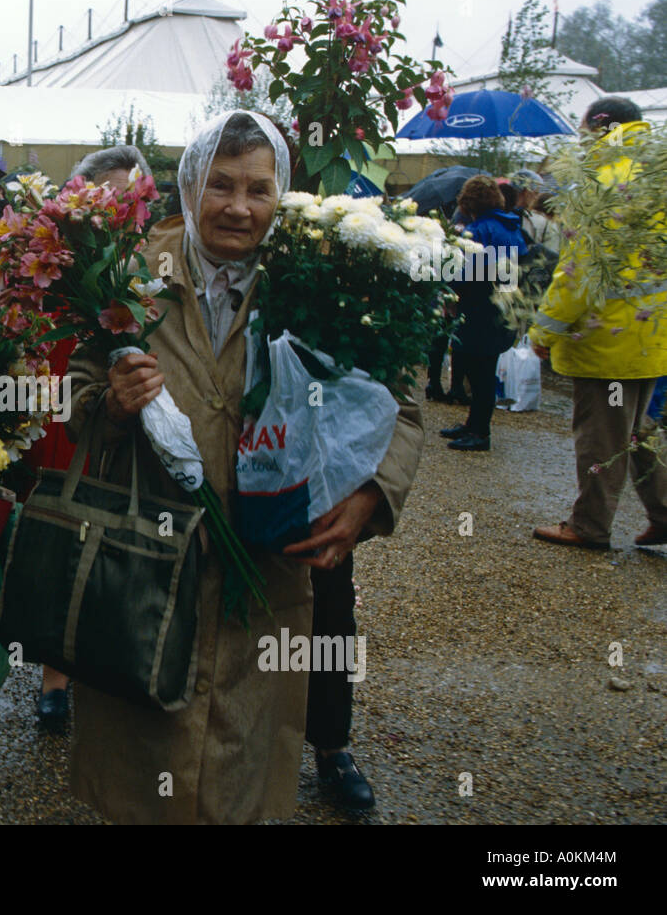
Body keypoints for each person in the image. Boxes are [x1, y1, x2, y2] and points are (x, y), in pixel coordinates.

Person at [64, 110, 424, 824]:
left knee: (243, 754)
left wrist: (371, 498)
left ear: (281, 194)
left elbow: (400, 405)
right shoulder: (131, 269)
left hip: (268, 562)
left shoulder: (321, 274)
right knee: (145, 759)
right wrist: (110, 403)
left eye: (259, 190)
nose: (237, 207)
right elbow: (71, 391)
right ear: (191, 186)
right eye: (220, 186)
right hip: (150, 554)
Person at [29, 145, 153, 730]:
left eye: (132, 195)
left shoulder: (149, 259)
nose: (121, 205)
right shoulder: (50, 251)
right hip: (62, 402)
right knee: (62, 525)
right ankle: (55, 673)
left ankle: (111, 653)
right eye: (109, 194)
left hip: (130, 409)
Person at [530, 96, 667, 550]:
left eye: (585, 133)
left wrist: (544, 330)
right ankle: (665, 513)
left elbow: (578, 274)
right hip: (651, 336)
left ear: (600, 128)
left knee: (601, 436)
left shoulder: (604, 184)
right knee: (637, 430)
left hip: (605, 337)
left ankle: (589, 525)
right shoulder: (657, 177)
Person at [438, 175, 526, 452]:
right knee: (483, 370)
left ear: (469, 202)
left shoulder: (479, 230)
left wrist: (449, 291)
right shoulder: (510, 226)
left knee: (480, 374)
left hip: (479, 307)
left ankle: (480, 432)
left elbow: (463, 272)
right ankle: (473, 423)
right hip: (503, 304)